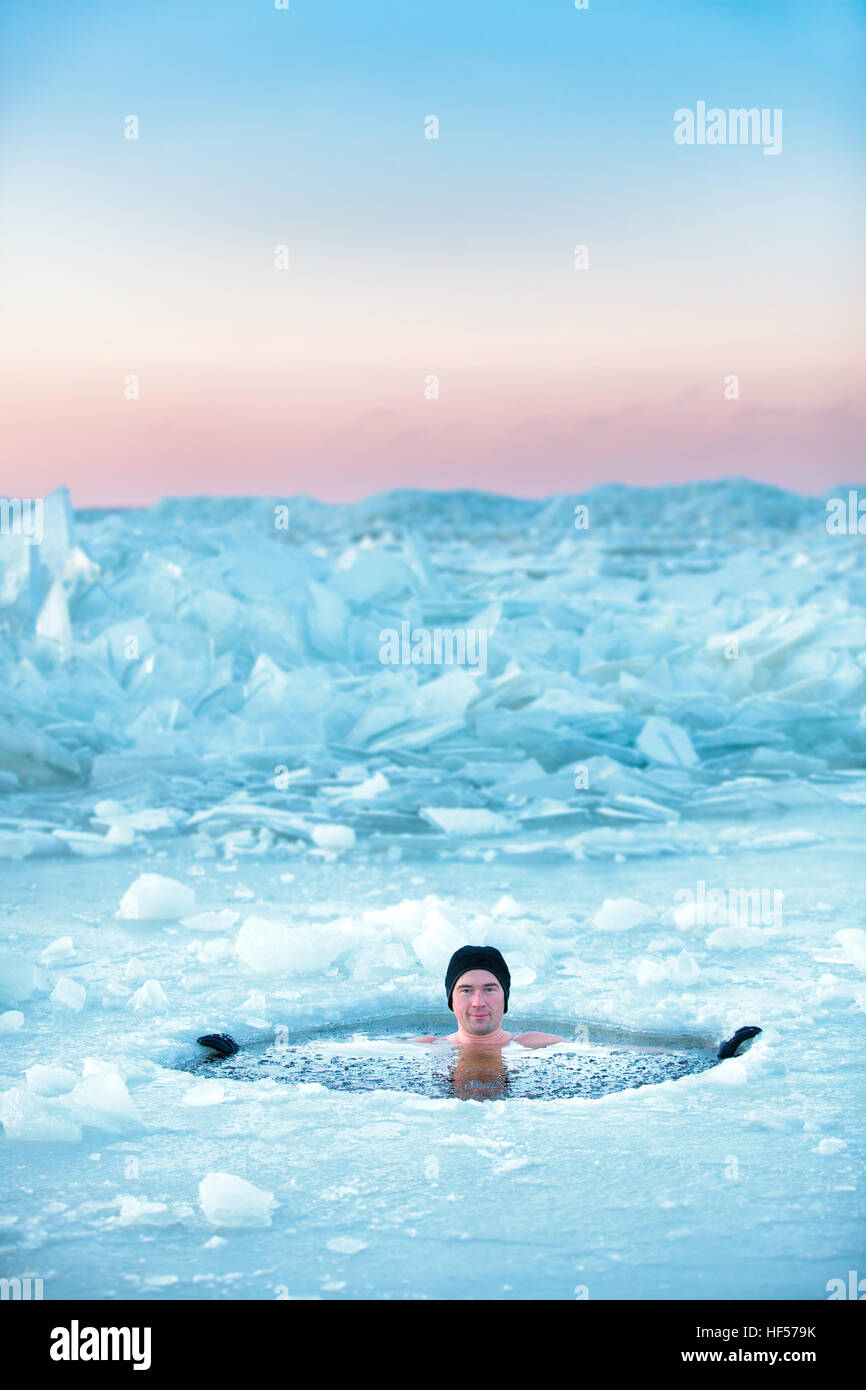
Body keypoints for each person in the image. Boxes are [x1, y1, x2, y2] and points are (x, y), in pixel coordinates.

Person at [414, 944, 564, 1049]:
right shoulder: (424, 1048)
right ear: (451, 999)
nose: (478, 1003)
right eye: (466, 991)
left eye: (489, 990)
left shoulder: (536, 1045)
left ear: (505, 997)